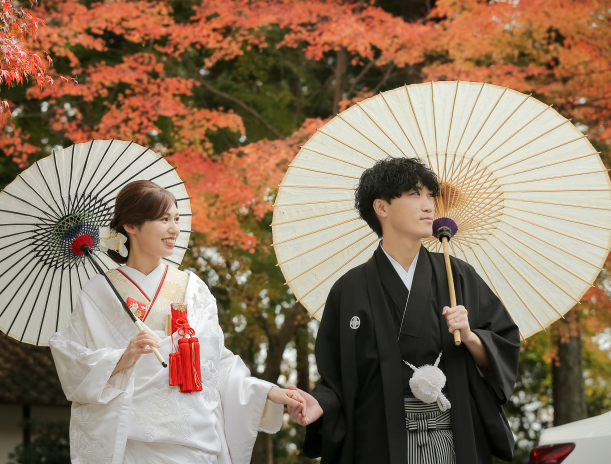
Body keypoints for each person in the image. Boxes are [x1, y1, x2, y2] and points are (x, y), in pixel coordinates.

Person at [50, 180, 304, 464]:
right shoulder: (99, 291)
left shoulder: (192, 288)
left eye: (176, 219)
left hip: (193, 437)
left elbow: (215, 364)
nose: (174, 228)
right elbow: (71, 358)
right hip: (131, 441)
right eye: (163, 219)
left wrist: (268, 391)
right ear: (131, 226)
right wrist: (122, 357)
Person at [286, 157, 520, 464]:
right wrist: (319, 403)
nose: (428, 206)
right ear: (381, 207)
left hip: (452, 434)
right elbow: (336, 378)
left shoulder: (458, 275)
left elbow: (503, 344)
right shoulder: (349, 288)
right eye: (414, 194)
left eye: (429, 196)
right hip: (379, 441)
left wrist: (471, 336)